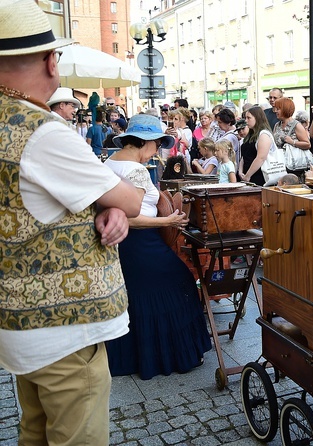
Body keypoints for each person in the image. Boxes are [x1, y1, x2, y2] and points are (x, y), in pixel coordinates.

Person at [0, 1, 142, 442]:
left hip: (18, 321)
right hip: (62, 327)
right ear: (50, 61)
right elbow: (133, 200)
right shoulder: (41, 131)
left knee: (34, 432)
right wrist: (114, 202)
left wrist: (103, 204)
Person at [104, 114, 211, 379]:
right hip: (142, 239)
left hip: (124, 243)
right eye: (156, 144)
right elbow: (130, 216)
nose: (157, 151)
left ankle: (136, 357)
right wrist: (169, 219)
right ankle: (175, 355)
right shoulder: (136, 170)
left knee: (138, 294)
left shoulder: (110, 162)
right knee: (180, 281)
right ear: (144, 142)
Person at [273, 97, 311, 180]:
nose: (275, 111)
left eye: (278, 109)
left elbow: (307, 144)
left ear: (285, 109)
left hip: (294, 168)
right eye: (275, 108)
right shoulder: (277, 125)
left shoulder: (296, 125)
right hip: (280, 167)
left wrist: (292, 142)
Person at [239, 106, 277, 186]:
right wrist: (240, 171)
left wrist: (248, 176)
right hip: (247, 175)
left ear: (257, 118)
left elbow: (261, 158)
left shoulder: (264, 135)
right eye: (245, 118)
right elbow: (244, 155)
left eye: (249, 118)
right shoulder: (250, 134)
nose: (246, 121)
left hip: (260, 176)